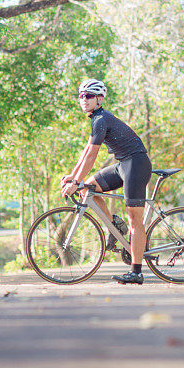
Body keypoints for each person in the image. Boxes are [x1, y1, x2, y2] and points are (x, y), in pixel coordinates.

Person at [60, 79, 152, 285]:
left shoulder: (102, 119)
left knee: (135, 220)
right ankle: (115, 226)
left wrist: (76, 180)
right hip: (124, 164)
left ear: (99, 99)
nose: (84, 100)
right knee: (88, 189)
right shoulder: (96, 119)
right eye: (81, 96)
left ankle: (136, 272)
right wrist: (74, 177)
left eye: (89, 96)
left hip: (136, 165)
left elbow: (92, 155)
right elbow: (86, 151)